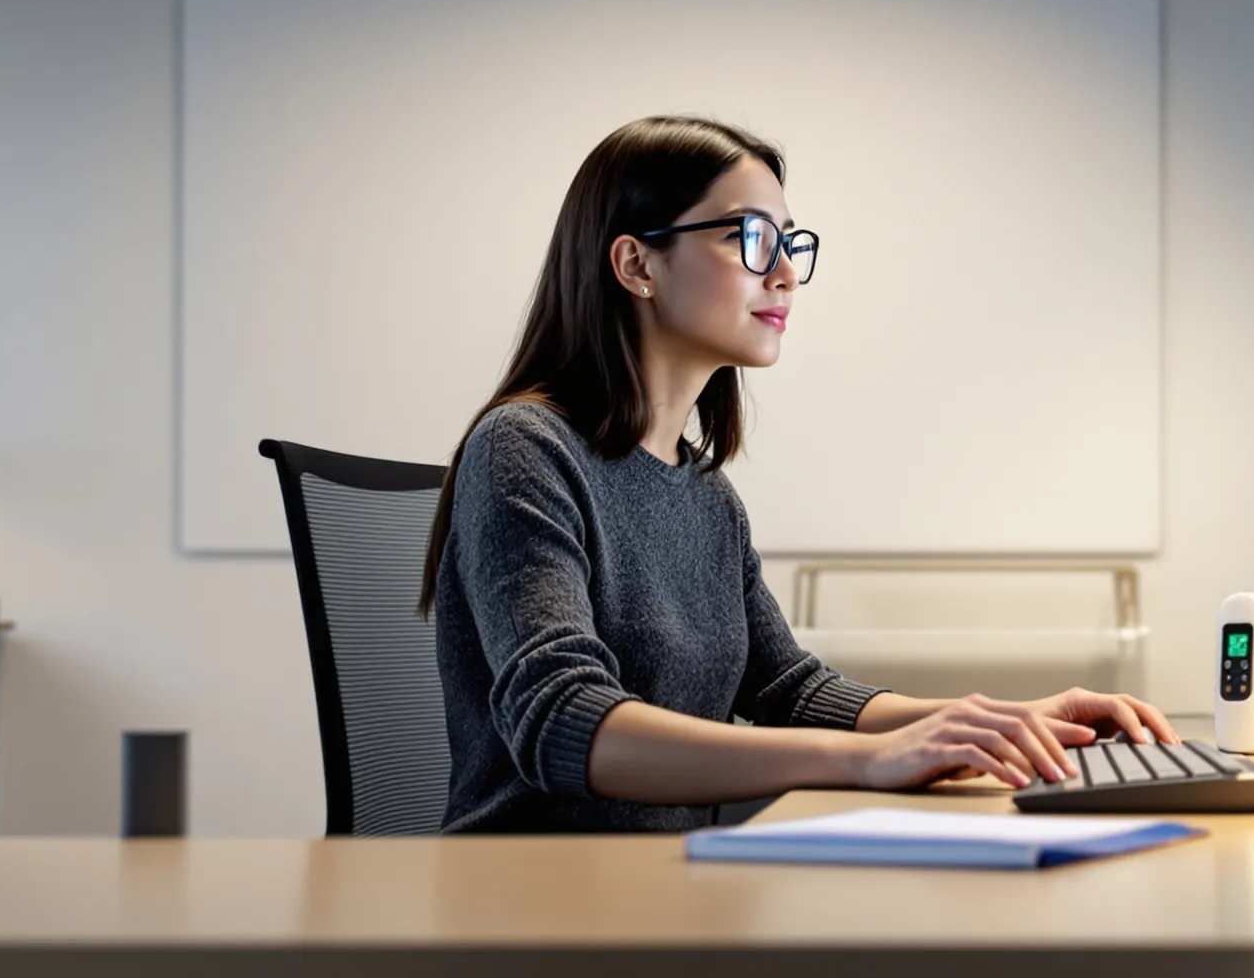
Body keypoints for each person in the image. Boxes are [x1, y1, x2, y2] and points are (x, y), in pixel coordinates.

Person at [421, 115, 1174, 833]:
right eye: (750, 237)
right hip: (533, 904)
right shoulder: (524, 448)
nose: (785, 273)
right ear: (636, 263)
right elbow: (564, 723)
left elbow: (788, 689)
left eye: (790, 243)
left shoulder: (705, 494)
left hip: (675, 891)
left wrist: (1006, 718)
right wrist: (873, 759)